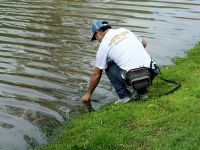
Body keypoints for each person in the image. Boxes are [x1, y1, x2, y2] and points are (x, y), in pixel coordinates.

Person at [81, 20, 159, 103]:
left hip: (134, 78)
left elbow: (96, 74)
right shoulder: (125, 30)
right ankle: (142, 93)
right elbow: (144, 43)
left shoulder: (103, 45)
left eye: (96, 37)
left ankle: (124, 96)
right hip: (150, 73)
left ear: (99, 32)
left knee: (108, 65)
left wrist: (88, 93)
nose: (97, 41)